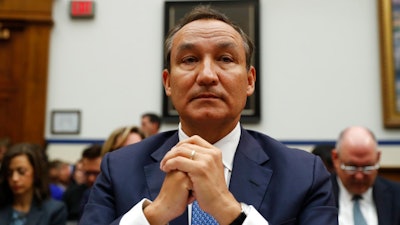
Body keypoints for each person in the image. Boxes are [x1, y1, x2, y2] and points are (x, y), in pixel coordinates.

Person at [80, 5, 337, 225]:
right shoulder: (120, 168)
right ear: (168, 83)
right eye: (190, 59)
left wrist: (230, 212)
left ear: (249, 80)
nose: (206, 76)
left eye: (225, 58)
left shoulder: (304, 174)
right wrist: (155, 215)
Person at [331, 126, 400, 225]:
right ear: (336, 158)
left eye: (367, 167)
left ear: (378, 158)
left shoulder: (396, 196)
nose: (359, 176)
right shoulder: (319, 195)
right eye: (351, 167)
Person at [0, 143, 67, 224]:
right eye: (9, 173)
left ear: (36, 172)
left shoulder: (54, 210)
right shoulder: (3, 206)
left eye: (21, 172)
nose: (14, 178)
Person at [63, 144, 102, 222]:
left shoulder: (116, 195)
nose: (91, 179)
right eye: (87, 173)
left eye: (96, 173)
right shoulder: (72, 194)